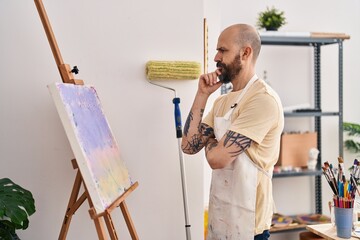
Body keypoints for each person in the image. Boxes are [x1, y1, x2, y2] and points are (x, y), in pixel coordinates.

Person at [181, 23, 284, 240]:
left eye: (223, 50)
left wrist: (212, 143)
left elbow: (218, 159)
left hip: (249, 227)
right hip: (221, 219)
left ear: (245, 52)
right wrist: (202, 95)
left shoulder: (262, 99)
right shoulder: (221, 101)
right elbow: (189, 146)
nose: (216, 57)